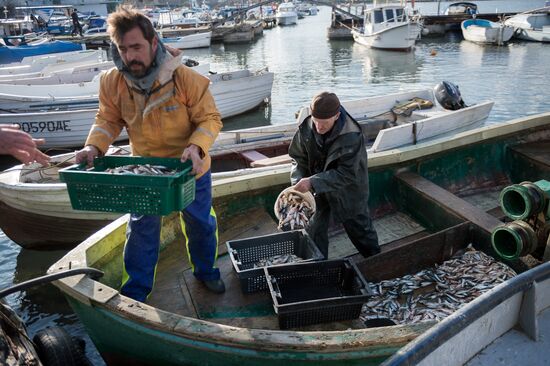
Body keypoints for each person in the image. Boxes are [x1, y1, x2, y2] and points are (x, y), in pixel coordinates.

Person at [75, 5, 225, 302]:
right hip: (147, 172)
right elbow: (107, 119)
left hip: (190, 168)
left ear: (153, 42)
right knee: (142, 229)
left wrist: (196, 147)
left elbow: (210, 119)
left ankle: (206, 271)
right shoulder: (112, 82)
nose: (130, 56)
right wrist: (93, 146)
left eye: (136, 47)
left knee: (200, 223)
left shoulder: (186, 79)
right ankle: (136, 291)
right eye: (123, 48)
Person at [288, 92, 380, 259]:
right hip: (316, 189)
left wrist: (313, 182)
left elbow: (347, 173)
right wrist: (298, 182)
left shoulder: (352, 135)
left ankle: (376, 260)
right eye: (316, 121)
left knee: (360, 229)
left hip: (348, 190)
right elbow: (297, 158)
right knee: (314, 230)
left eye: (324, 123)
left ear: (337, 116)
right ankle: (320, 266)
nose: (319, 127)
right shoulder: (306, 127)